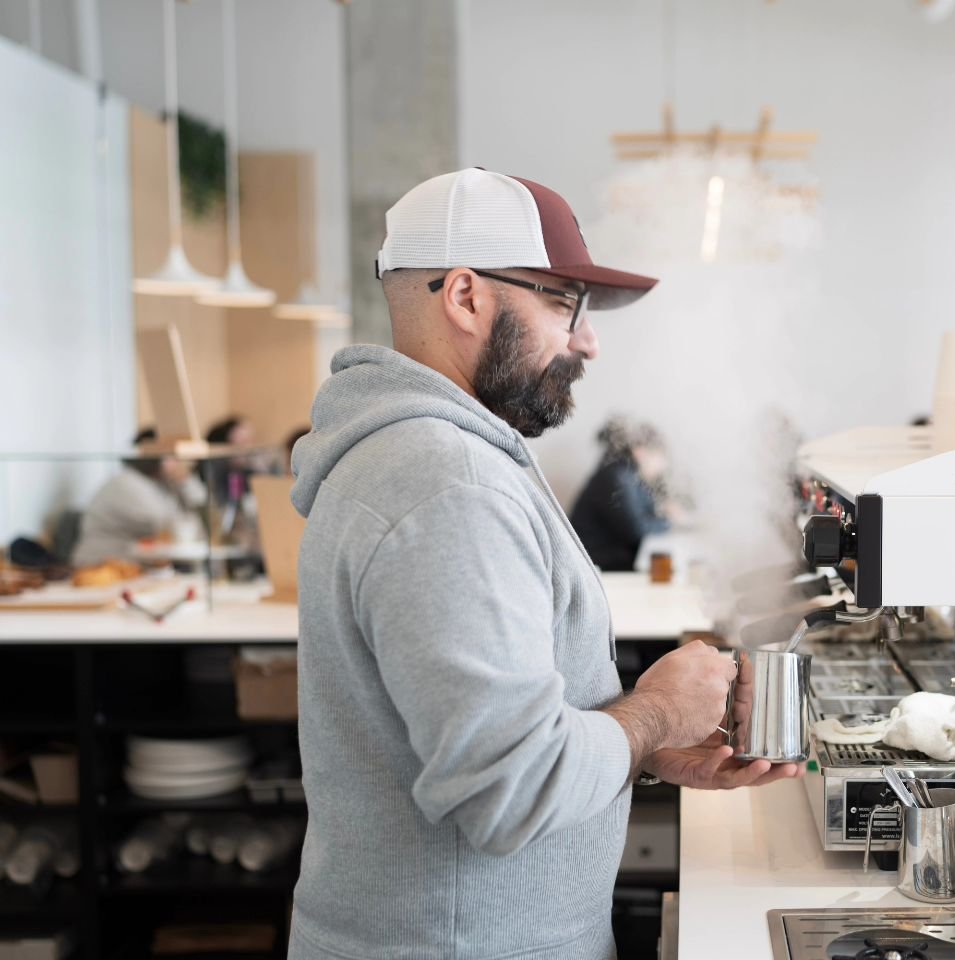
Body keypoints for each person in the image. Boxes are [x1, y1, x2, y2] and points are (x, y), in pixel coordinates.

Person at [286, 168, 801, 960]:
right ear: (465, 296)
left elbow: (481, 748)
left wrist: (647, 749)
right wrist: (655, 711)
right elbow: (507, 792)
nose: (587, 340)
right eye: (564, 302)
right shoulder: (445, 481)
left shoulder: (436, 456)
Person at [71, 428, 193, 567]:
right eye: (171, 456)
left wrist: (183, 482)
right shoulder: (126, 483)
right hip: (99, 564)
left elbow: (190, 517)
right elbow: (165, 525)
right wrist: (183, 481)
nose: (177, 463)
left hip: (127, 562)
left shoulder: (154, 484)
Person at [571, 417, 674, 571]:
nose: (662, 466)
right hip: (596, 565)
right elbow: (636, 530)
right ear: (640, 451)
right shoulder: (617, 477)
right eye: (659, 457)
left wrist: (663, 512)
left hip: (603, 560)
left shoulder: (627, 476)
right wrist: (669, 520)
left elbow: (645, 514)